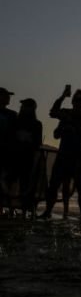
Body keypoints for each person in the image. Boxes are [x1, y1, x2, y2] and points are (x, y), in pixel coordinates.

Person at [39, 86, 81, 220]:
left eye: (80, 102)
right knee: (53, 186)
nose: (77, 104)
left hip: (79, 157)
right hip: (63, 156)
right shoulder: (67, 114)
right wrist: (63, 96)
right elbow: (53, 113)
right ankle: (48, 211)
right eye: (75, 101)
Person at [11, 99, 43, 219]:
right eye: (24, 106)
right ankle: (11, 207)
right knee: (12, 183)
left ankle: (25, 210)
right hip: (14, 157)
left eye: (27, 106)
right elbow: (10, 137)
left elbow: (37, 143)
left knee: (26, 185)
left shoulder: (36, 124)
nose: (24, 108)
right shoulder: (15, 121)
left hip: (28, 158)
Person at [0, 88, 17, 216]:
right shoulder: (11, 115)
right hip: (6, 152)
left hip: (7, 153)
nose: (8, 98)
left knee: (5, 181)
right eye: (6, 96)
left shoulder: (12, 115)